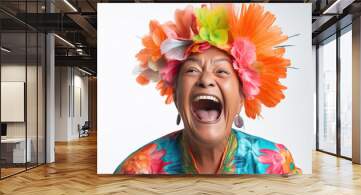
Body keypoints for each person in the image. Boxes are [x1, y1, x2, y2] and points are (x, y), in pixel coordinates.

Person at [114, 3, 301, 175]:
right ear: (176, 97)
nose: (205, 80)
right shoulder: (136, 170)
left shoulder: (277, 164)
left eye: (221, 71)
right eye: (192, 70)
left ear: (241, 101)